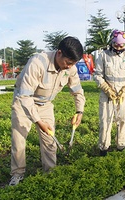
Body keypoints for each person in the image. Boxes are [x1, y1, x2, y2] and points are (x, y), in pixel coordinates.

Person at [9, 36, 85, 186]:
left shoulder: (70, 68)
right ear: (59, 53)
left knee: (50, 141)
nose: (69, 67)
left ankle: (50, 174)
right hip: (24, 102)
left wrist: (79, 111)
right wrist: (38, 121)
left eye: (73, 64)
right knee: (19, 139)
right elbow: (25, 95)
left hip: (45, 104)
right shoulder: (37, 63)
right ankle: (17, 174)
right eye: (68, 63)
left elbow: (77, 91)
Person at [94, 29, 125, 156]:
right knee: (105, 120)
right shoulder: (103, 56)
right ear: (112, 43)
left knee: (123, 120)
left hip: (123, 95)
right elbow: (97, 75)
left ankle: (121, 146)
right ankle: (103, 147)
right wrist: (106, 89)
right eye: (116, 45)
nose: (119, 47)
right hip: (107, 95)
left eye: (122, 45)